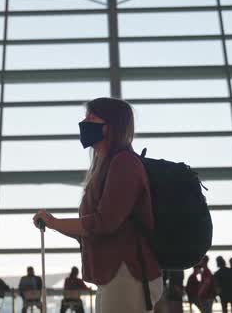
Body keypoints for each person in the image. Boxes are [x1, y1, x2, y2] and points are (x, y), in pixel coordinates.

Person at [33, 97, 162, 313]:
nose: (85, 122)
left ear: (112, 125)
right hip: (113, 273)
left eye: (92, 117)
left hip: (127, 271)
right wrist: (55, 223)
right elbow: (91, 230)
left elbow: (104, 223)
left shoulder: (124, 163)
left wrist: (55, 223)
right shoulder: (103, 166)